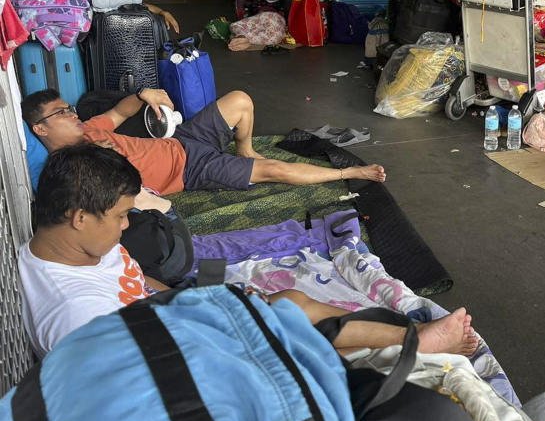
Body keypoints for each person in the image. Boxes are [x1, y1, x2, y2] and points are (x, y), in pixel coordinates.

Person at [18, 144, 476, 359]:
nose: (125, 227)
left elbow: (139, 283)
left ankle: (405, 335)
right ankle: (419, 343)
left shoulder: (79, 249)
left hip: (173, 318)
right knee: (290, 320)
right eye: (120, 216)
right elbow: (146, 375)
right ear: (80, 216)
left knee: (282, 300)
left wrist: (201, 299)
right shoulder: (75, 317)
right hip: (181, 356)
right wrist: (222, 325)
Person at [22, 87, 386, 196]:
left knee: (242, 99)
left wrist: (144, 94)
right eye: (62, 113)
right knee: (273, 170)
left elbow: (120, 110)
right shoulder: (73, 167)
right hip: (192, 169)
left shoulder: (90, 128)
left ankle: (243, 147)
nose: (72, 114)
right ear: (40, 129)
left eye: (69, 108)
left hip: (183, 140)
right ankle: (350, 172)